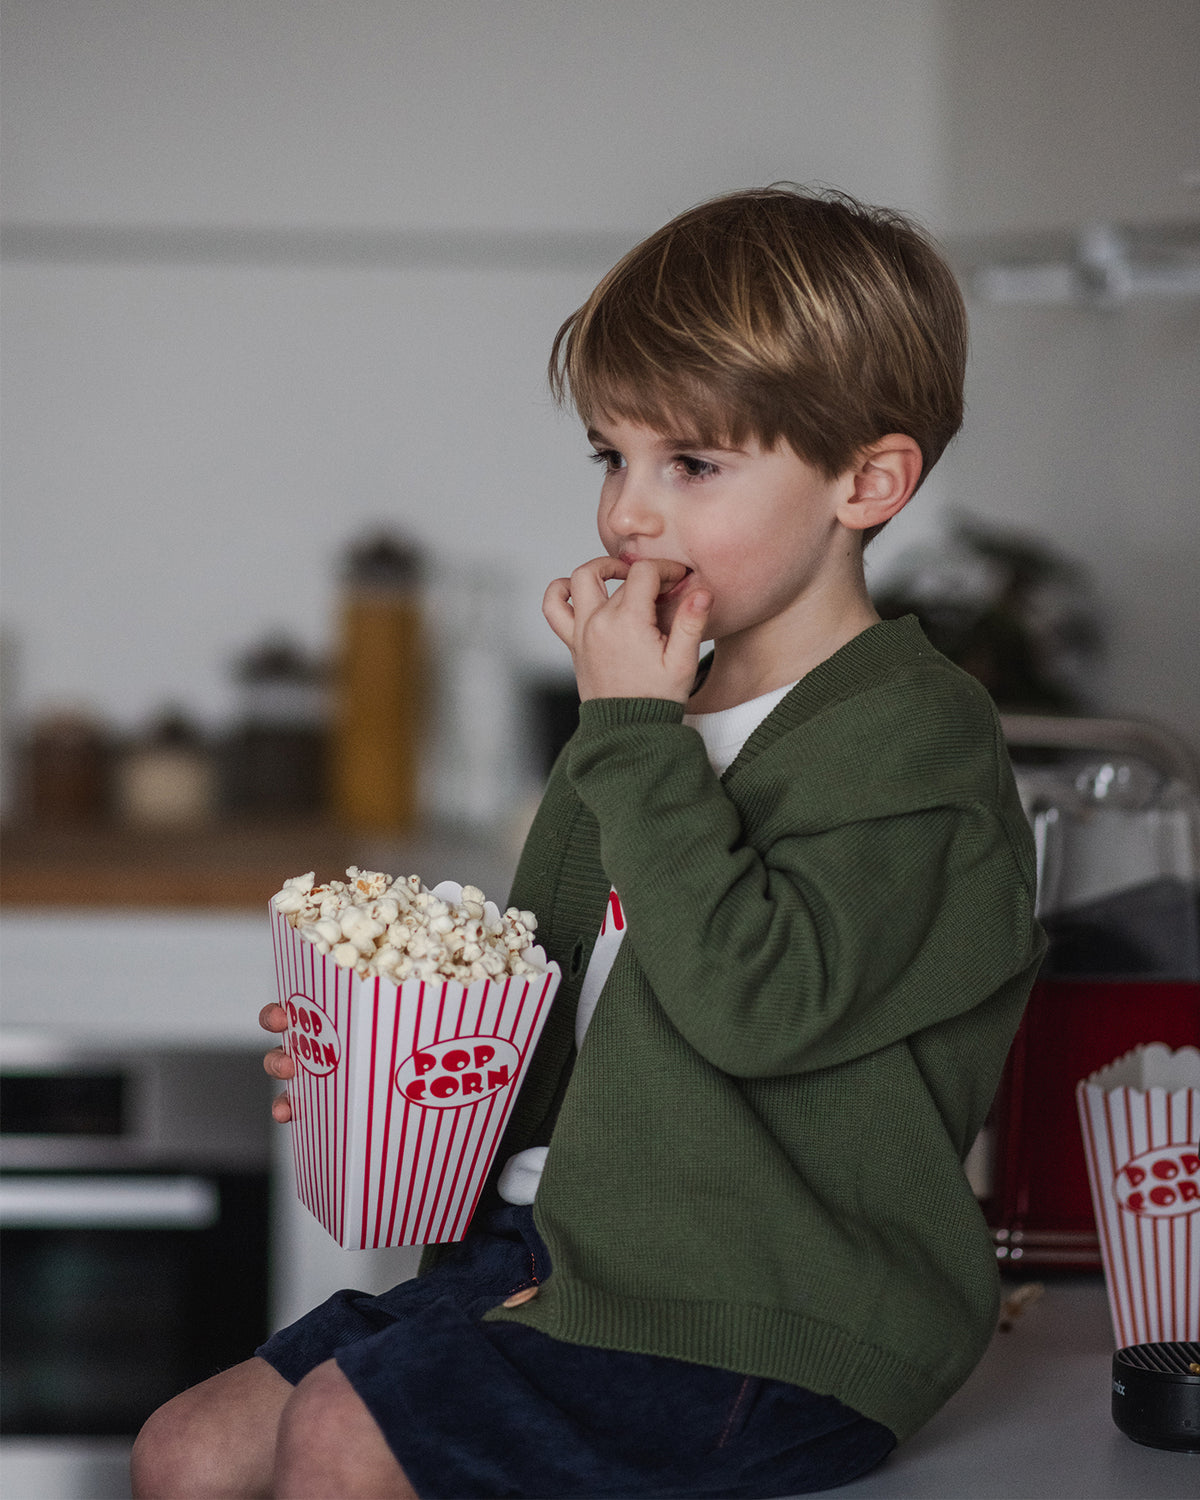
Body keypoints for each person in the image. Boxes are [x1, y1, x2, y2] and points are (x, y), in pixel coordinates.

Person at [132, 185, 1045, 1499]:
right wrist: (383, 1066)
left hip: (767, 1309)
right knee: (188, 1447)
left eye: (693, 464)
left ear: (869, 481)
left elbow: (758, 1009)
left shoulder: (915, 743)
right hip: (556, 1252)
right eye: (612, 458)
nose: (629, 513)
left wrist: (626, 725)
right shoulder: (650, 710)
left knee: (343, 1437)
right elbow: (562, 1008)